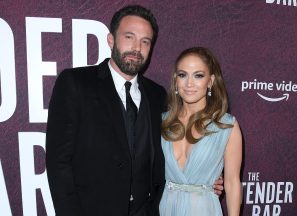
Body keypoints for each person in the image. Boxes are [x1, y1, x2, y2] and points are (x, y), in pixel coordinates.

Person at [46, 5, 223, 216]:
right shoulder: (76, 83)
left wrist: (203, 177)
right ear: (111, 40)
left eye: (145, 41)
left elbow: (174, 151)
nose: (137, 48)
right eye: (129, 37)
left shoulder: (158, 95)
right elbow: (58, 162)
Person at [160, 47, 242, 216]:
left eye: (198, 75)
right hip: (164, 209)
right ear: (176, 80)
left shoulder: (226, 126)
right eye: (183, 75)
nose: (189, 83)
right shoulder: (161, 121)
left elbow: (233, 183)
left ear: (210, 81)